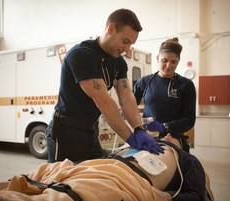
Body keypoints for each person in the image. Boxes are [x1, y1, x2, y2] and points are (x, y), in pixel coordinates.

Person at [0, 134, 229, 201]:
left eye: (170, 136)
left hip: (126, 178)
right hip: (103, 166)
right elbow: (105, 158)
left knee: (74, 199)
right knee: (54, 175)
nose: (165, 135)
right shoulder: (135, 145)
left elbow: (193, 198)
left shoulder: (186, 160)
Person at [45, 8, 164, 163]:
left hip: (90, 130)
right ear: (111, 29)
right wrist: (130, 138)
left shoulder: (118, 62)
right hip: (67, 131)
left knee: (94, 178)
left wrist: (138, 129)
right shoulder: (82, 54)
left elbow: (126, 96)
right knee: (63, 181)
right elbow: (103, 101)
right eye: (125, 41)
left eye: (131, 44)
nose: (126, 49)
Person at [133, 38, 196, 152]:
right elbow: (130, 106)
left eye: (173, 62)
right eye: (164, 60)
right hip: (147, 137)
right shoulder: (145, 82)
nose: (168, 65)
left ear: (178, 61)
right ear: (157, 58)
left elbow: (189, 120)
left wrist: (166, 126)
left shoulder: (186, 85)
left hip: (174, 138)